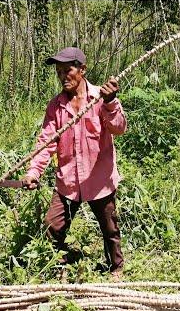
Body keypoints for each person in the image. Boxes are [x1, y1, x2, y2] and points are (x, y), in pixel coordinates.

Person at [21, 47, 128, 275]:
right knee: (53, 226)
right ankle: (55, 262)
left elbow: (119, 128)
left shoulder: (101, 96)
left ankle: (116, 269)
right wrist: (33, 172)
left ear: (82, 70)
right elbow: (46, 142)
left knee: (109, 228)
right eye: (58, 71)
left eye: (67, 70)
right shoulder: (56, 105)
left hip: (99, 179)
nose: (62, 76)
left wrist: (111, 102)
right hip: (68, 180)